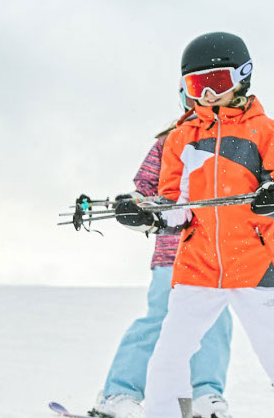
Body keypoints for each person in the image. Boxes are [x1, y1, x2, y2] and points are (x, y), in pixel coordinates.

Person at [128, 32, 274, 418]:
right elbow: (174, 206)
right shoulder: (182, 138)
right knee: (169, 355)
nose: (206, 95)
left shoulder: (269, 132)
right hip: (198, 266)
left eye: (216, 82)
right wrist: (148, 213)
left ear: (242, 76)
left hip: (253, 264)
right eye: (196, 85)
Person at [90, 112, 235, 418]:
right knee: (159, 318)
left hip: (215, 254)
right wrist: (134, 202)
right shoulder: (170, 141)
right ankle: (120, 392)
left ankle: (207, 396)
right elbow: (145, 185)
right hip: (174, 251)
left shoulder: (235, 139)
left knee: (215, 322)